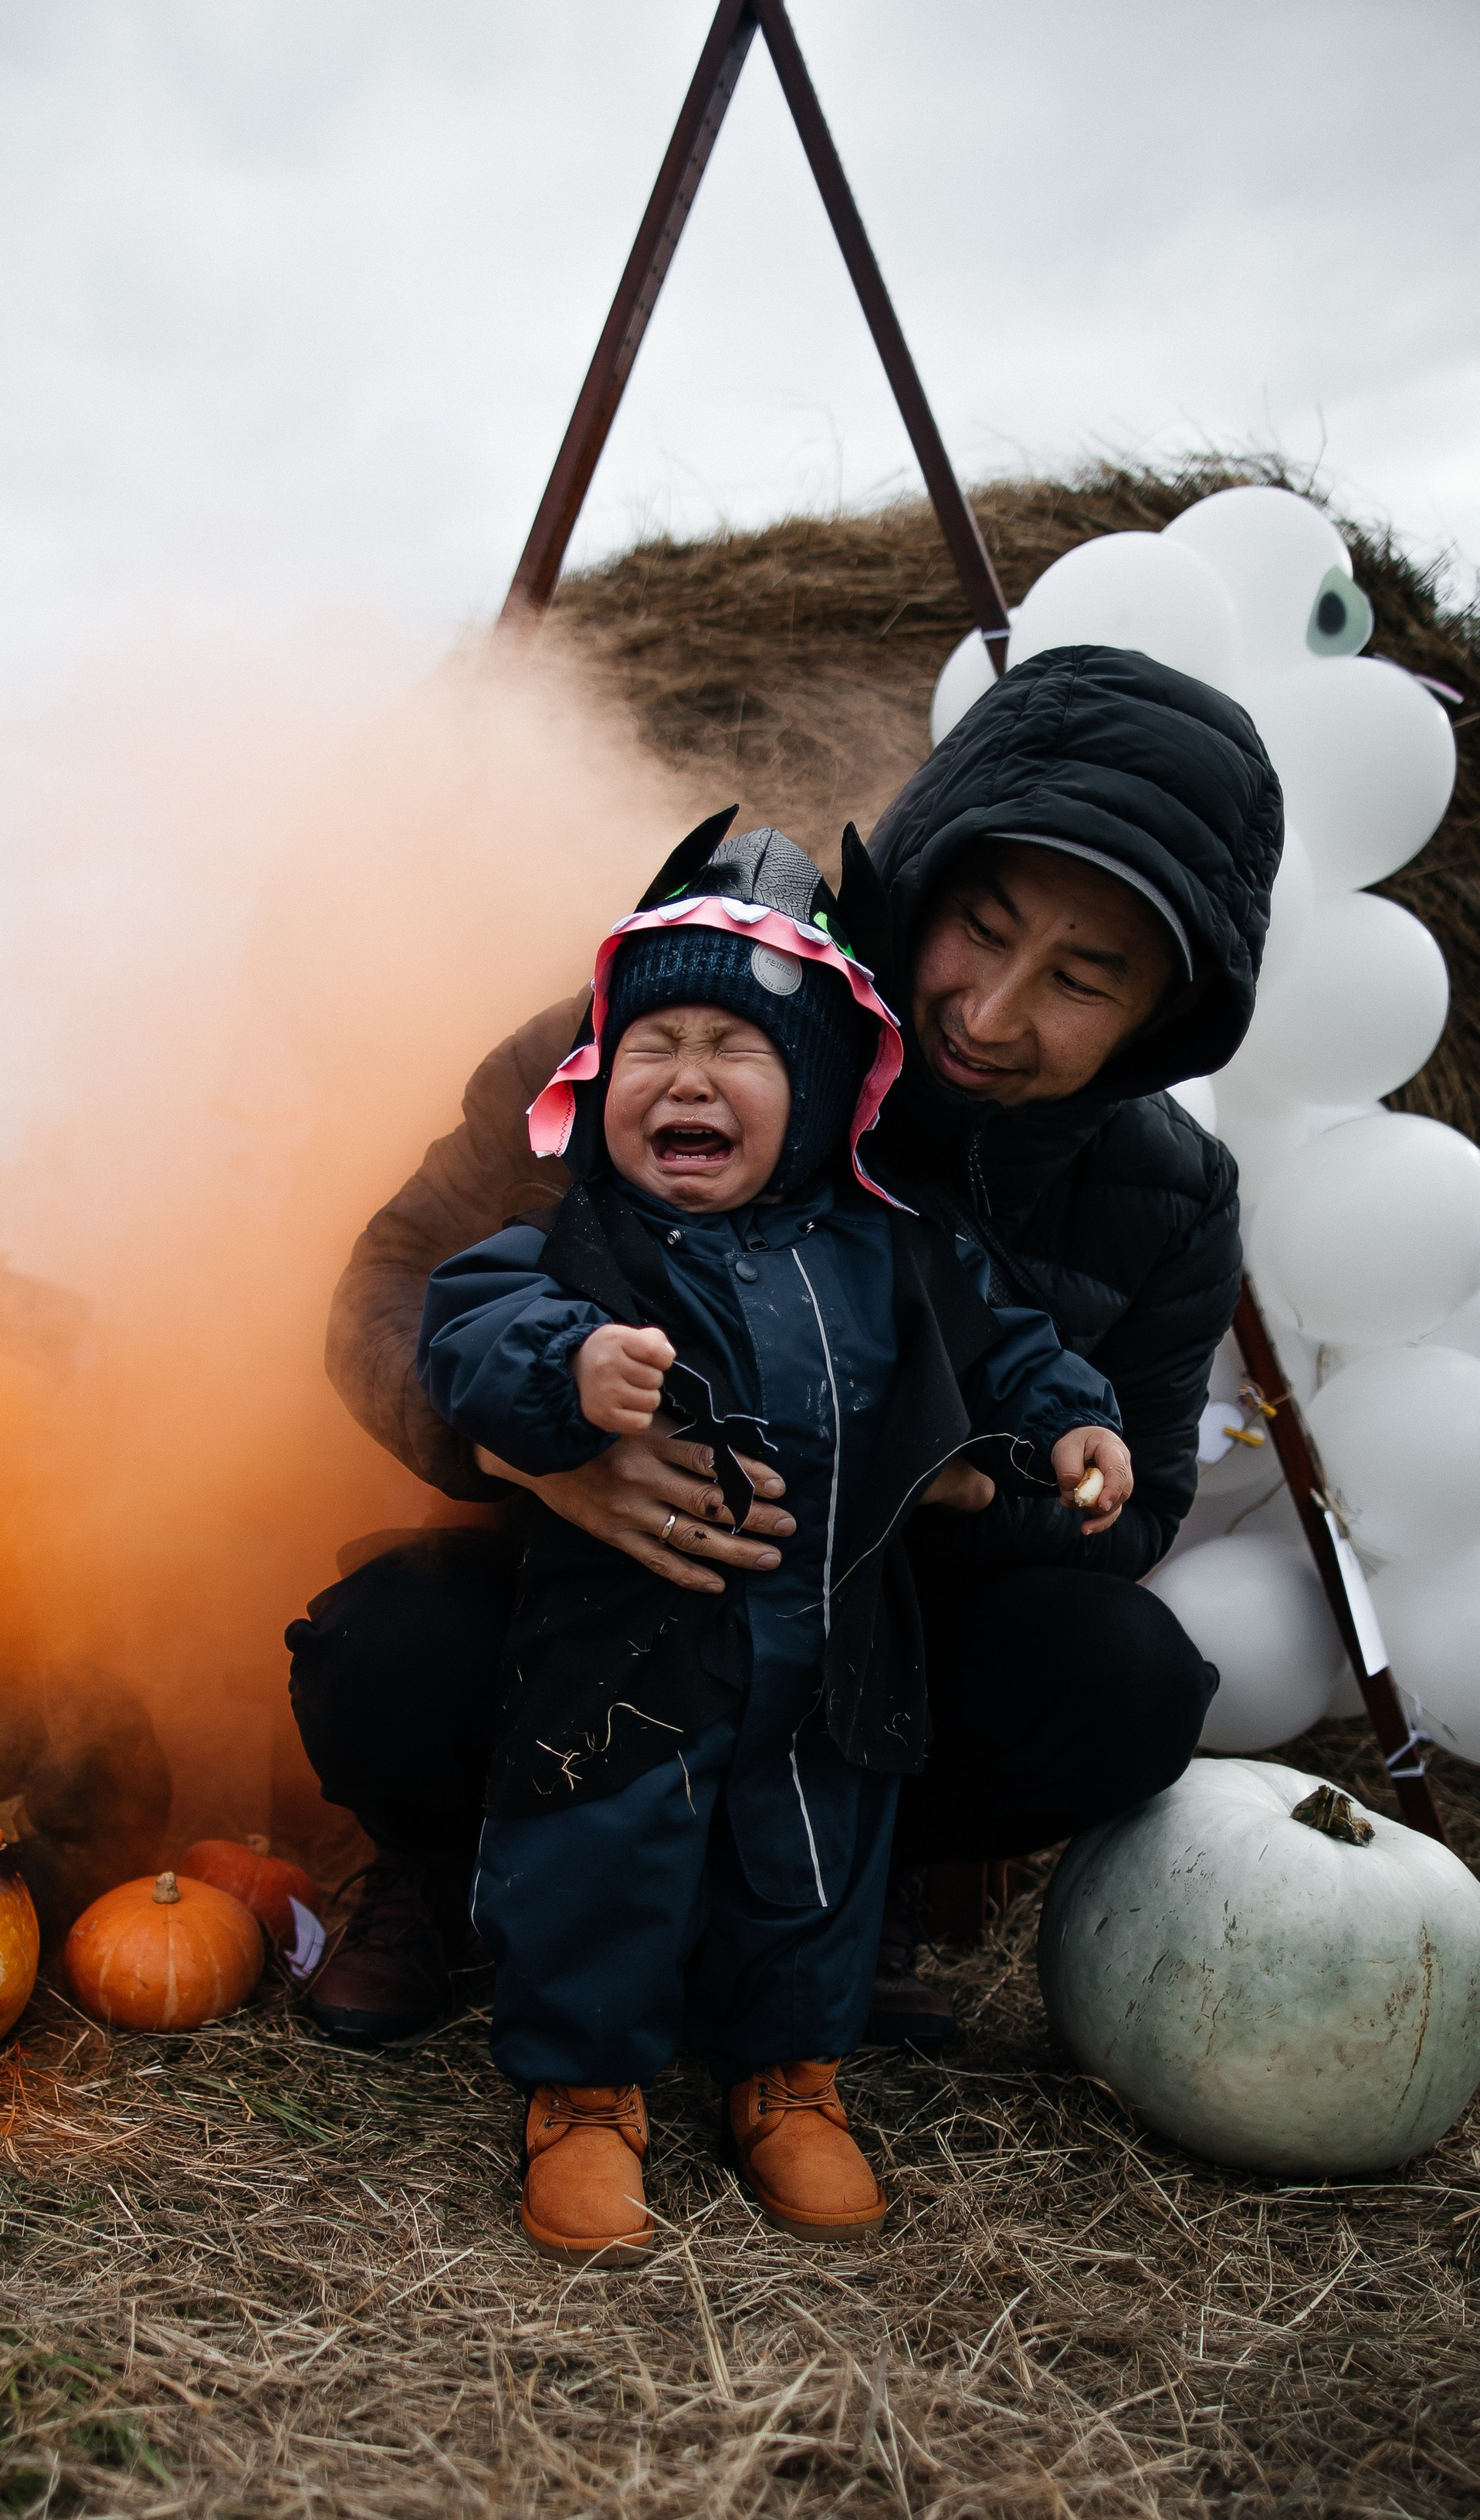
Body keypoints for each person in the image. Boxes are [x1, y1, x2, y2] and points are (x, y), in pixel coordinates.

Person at [288, 642, 1283, 2054]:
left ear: (1161, 1022)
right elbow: (386, 1285)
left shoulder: (1172, 1199)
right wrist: (532, 1453)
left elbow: (1145, 1506)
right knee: (378, 1654)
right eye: (983, 931)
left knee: (1125, 1680)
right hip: (598, 1603)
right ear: (927, 878)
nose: (991, 1015)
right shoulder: (668, 1024)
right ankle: (451, 1864)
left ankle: (848, 1890)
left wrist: (964, 1492)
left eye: (1082, 978)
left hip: (875, 1643)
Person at [413, 818, 1130, 2264]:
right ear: (600, 1078)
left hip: (830, 1649)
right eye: (653, 1042)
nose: (686, 1075)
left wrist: (1068, 1424)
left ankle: (789, 2080)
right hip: (622, 1655)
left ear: (813, 1097)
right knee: (599, 1861)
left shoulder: (892, 1246)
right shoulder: (573, 1241)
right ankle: (586, 2091)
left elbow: (1002, 1345)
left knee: (812, 1868)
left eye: (737, 1049)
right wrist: (565, 1374)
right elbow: (462, 1326)